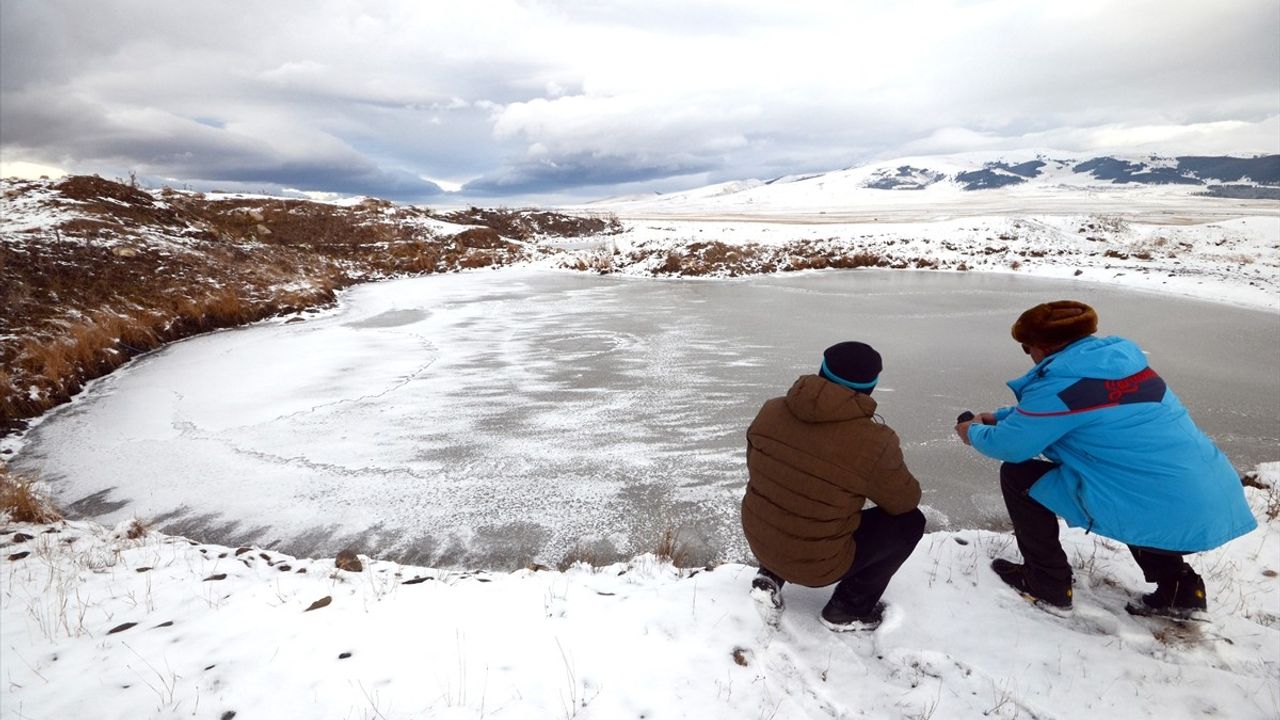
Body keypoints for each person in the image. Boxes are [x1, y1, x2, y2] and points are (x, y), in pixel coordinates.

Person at [955, 300, 1256, 617]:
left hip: (1166, 509)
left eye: (1026, 347)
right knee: (1132, 482)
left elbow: (1011, 446)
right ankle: (1180, 589)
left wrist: (971, 431)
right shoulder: (1122, 364)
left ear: (1042, 346)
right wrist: (1002, 416)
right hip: (1212, 501)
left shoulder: (1059, 385)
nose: (1028, 355)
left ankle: (1047, 583)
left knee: (1018, 475)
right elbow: (1076, 407)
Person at [742, 341, 926, 631]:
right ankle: (847, 609)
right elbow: (904, 501)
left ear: (820, 372)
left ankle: (771, 573)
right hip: (817, 566)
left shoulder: (771, 410)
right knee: (910, 523)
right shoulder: (875, 441)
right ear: (870, 388)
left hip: (759, 538)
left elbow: (756, 465)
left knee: (787, 486)